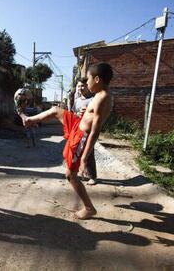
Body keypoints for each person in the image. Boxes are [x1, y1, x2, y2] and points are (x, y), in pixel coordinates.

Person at [20, 63, 113, 220]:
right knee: (56, 110)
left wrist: (84, 158)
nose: (86, 83)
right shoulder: (100, 95)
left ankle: (89, 208)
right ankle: (29, 120)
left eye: (88, 79)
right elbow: (93, 114)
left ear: (97, 79)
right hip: (78, 123)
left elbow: (95, 131)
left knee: (71, 175)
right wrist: (86, 112)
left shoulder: (103, 97)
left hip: (81, 135)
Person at [70, 77, 98, 185]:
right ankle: (81, 172)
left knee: (89, 153)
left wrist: (88, 113)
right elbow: (73, 113)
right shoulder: (77, 101)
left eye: (83, 86)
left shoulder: (93, 99)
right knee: (77, 152)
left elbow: (98, 115)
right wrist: (77, 114)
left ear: (87, 86)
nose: (81, 88)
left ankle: (93, 177)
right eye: (79, 86)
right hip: (78, 130)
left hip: (89, 130)